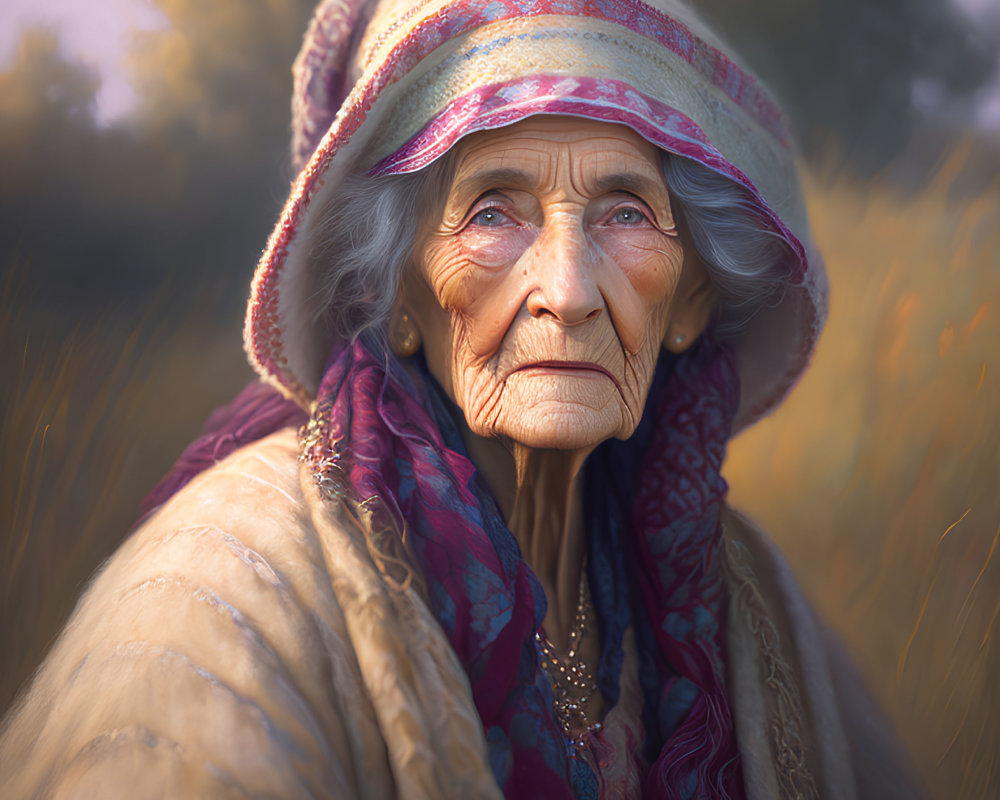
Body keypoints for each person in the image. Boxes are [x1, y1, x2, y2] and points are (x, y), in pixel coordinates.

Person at [0, 1, 923, 797]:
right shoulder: (225, 593)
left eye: (626, 213)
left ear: (688, 300)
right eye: (492, 211)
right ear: (398, 298)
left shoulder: (735, 596)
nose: (567, 289)